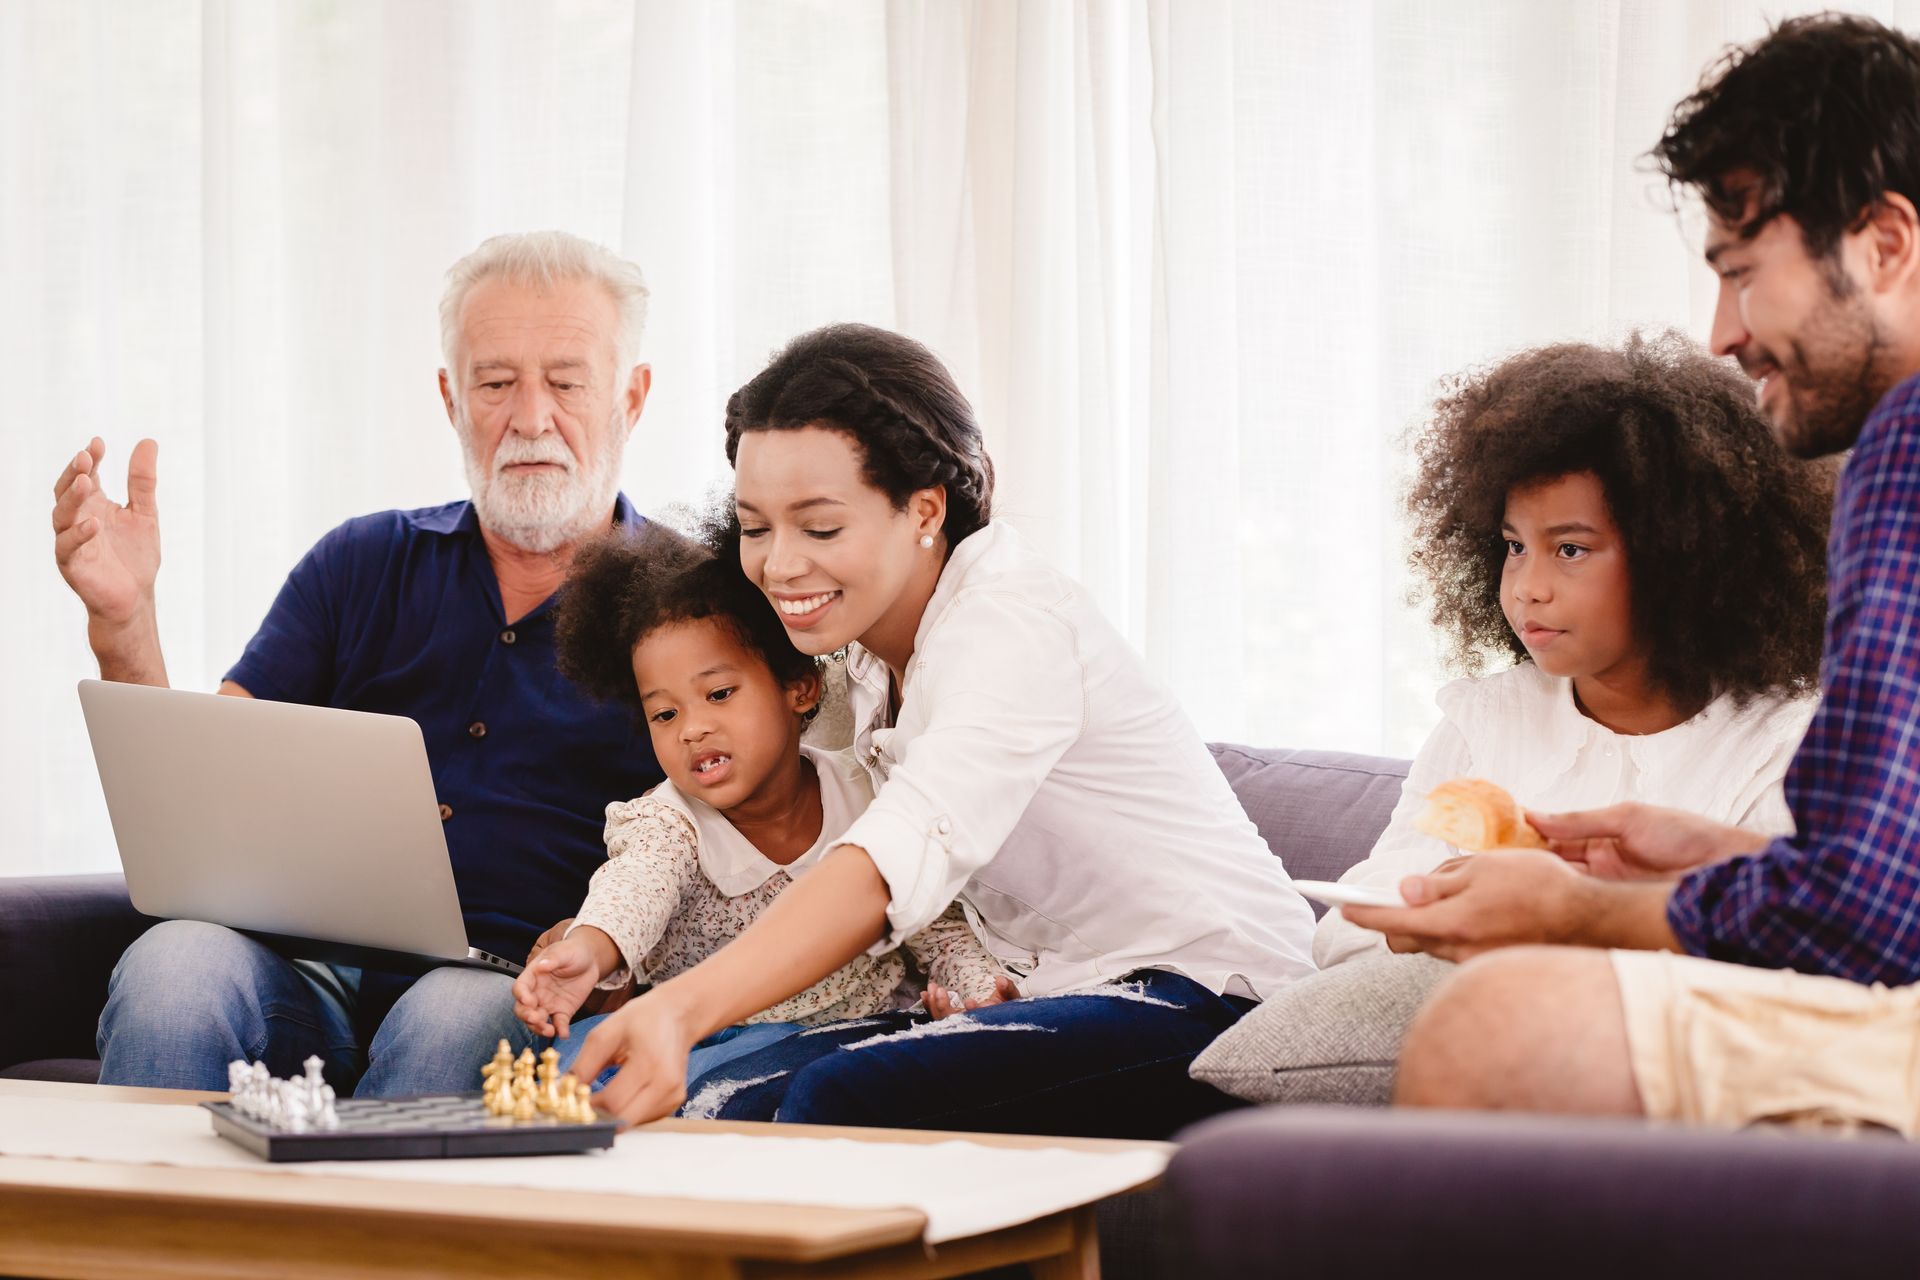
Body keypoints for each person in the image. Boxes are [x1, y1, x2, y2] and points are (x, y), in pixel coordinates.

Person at [1343, 14, 1920, 1135]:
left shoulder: (1903, 443)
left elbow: (1860, 916)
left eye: (1744, 275)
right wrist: (1721, 857)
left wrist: (1580, 908)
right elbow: (1891, 891)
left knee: (1493, 1028)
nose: (1724, 334)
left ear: (1886, 245)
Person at [557, 322, 1319, 1138]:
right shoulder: (862, 656)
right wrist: (608, 944)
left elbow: (890, 857)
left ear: (925, 510)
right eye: (755, 527)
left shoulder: (1010, 626)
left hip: (1209, 996)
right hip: (1058, 988)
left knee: (840, 1100)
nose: (778, 566)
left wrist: (678, 1011)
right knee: (729, 1103)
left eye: (819, 528)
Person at [53, 230, 665, 1096]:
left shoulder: (683, 608)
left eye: (567, 382)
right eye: (495, 383)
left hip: (506, 988)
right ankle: (156, 1235)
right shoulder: (361, 562)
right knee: (173, 968)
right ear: (452, 398)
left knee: (451, 1022)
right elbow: (206, 806)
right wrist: (126, 621)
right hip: (303, 969)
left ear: (630, 398)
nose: (531, 418)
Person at [1314, 332, 1828, 970]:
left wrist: (1565, 918)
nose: (1528, 588)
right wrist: (1427, 911)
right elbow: (1341, 930)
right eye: (1515, 546)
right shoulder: (1489, 719)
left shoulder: (1782, 748)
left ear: (1684, 560)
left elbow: (1791, 964)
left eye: (1571, 550)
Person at [512, 520, 1013, 1101]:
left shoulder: (871, 797)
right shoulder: (666, 822)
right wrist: (588, 950)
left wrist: (978, 1000)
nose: (693, 728)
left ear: (798, 688)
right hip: (706, 1036)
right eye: (664, 715)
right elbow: (630, 892)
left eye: (719, 694)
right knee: (576, 1068)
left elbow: (940, 933)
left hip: (848, 1036)